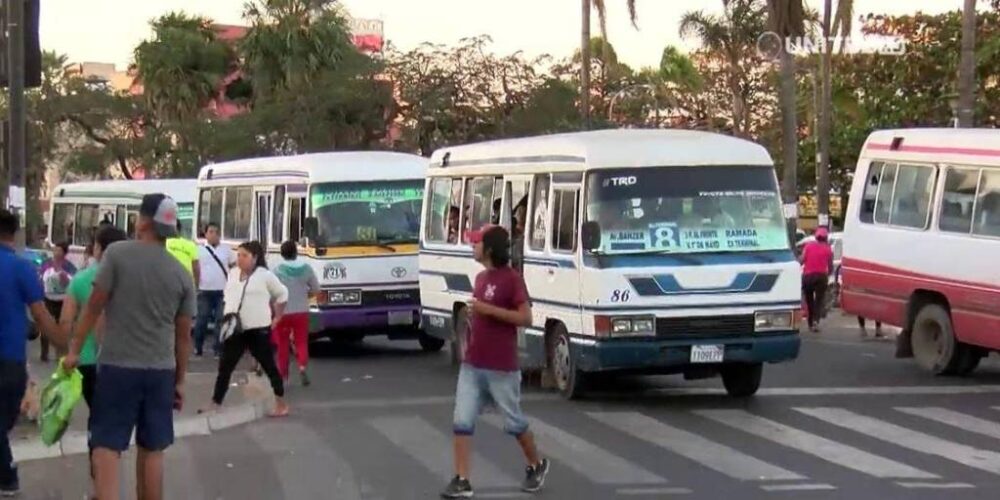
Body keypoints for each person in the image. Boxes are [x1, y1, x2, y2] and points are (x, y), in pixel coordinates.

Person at [64, 193, 196, 500]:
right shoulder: (181, 273)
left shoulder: (118, 254)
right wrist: (180, 381)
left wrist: (74, 350)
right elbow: (183, 336)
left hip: (117, 367)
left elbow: (94, 306)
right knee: (152, 448)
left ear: (144, 220)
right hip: (160, 371)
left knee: (107, 446)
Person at [442, 225, 549, 499]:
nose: (472, 247)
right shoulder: (480, 278)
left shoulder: (512, 279)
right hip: (473, 363)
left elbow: (526, 319)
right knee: (461, 420)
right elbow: (482, 313)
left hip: (501, 366)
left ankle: (535, 464)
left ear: (489, 249)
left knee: (514, 422)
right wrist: (473, 314)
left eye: (476, 243)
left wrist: (487, 310)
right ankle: (462, 480)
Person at [59, 225, 127, 491]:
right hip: (121, 360)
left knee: (96, 416)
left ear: (98, 248)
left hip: (84, 361)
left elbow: (65, 321)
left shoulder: (80, 279)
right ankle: (107, 468)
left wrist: (68, 351)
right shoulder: (129, 278)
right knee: (111, 416)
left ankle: (97, 468)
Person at [0, 209, 62, 497]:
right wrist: (65, 346)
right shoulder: (22, 268)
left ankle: (8, 477)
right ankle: (8, 477)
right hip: (10, 361)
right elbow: (41, 315)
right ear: (14, 234)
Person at [205, 241, 289, 417]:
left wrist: (278, 317)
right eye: (239, 255)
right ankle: (215, 403)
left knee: (269, 366)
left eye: (244, 256)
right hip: (235, 329)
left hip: (257, 329)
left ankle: (281, 403)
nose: (240, 259)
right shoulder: (233, 274)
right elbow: (228, 296)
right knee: (225, 366)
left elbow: (282, 294)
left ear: (255, 258)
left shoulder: (264, 275)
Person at [272, 241, 320, 386]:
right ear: (296, 252)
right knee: (301, 342)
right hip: (301, 311)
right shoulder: (306, 269)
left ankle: (283, 376)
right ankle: (302, 366)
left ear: (282, 254)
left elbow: (272, 293)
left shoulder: (277, 270)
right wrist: (305, 294)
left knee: (283, 344)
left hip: (283, 312)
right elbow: (316, 289)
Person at [194, 223, 233, 357]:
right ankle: (198, 347)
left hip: (222, 290)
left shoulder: (226, 250)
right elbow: (195, 268)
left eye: (216, 232)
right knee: (202, 320)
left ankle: (218, 348)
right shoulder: (199, 250)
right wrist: (196, 284)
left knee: (220, 320)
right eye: (210, 232)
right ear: (205, 234)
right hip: (204, 290)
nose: (214, 235)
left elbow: (233, 265)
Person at [38, 241, 77, 362]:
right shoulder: (47, 264)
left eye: (59, 250)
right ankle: (44, 353)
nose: (56, 253)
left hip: (63, 300)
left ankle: (60, 355)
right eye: (55, 250)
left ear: (64, 253)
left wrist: (65, 277)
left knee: (63, 327)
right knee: (45, 325)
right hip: (48, 299)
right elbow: (40, 277)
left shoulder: (69, 266)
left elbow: (73, 282)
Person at [800, 227, 834, 333]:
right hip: (821, 277)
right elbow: (830, 266)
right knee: (818, 301)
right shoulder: (828, 249)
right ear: (826, 238)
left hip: (808, 276)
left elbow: (802, 260)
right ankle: (815, 321)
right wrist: (827, 275)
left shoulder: (808, 246)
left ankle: (810, 323)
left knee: (809, 300)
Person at [166, 220, 201, 289]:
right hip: (185, 284)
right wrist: (196, 285)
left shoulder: (162, 244)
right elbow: (196, 268)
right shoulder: (190, 245)